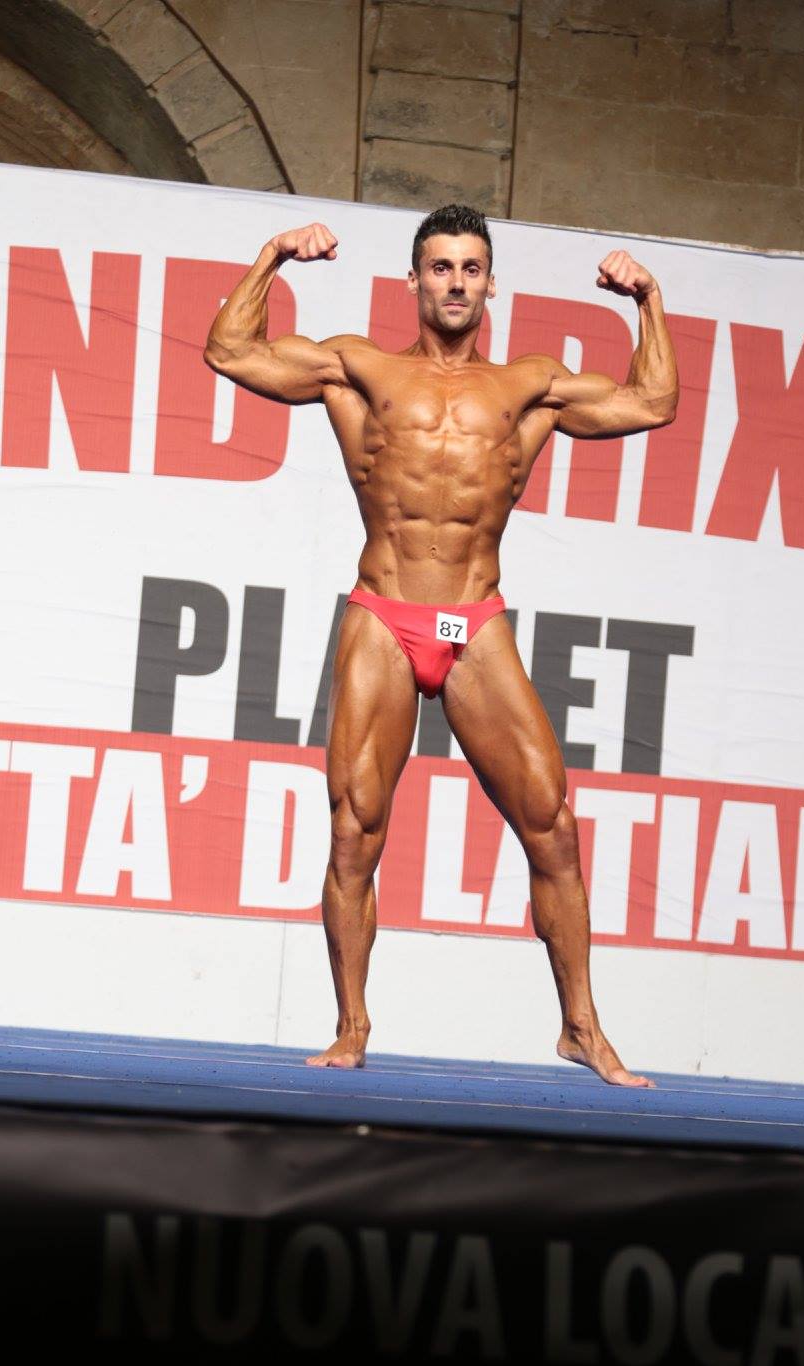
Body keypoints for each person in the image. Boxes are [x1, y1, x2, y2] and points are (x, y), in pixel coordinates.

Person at [204, 204, 678, 1087]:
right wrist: (272, 254)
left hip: (473, 621)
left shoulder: (528, 385)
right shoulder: (360, 368)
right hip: (383, 616)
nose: (455, 282)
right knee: (355, 832)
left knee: (553, 827)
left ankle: (581, 1026)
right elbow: (230, 351)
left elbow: (652, 401)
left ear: (491, 283)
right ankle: (351, 1025)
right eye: (440, 267)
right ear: (414, 280)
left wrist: (648, 299)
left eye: (470, 268)